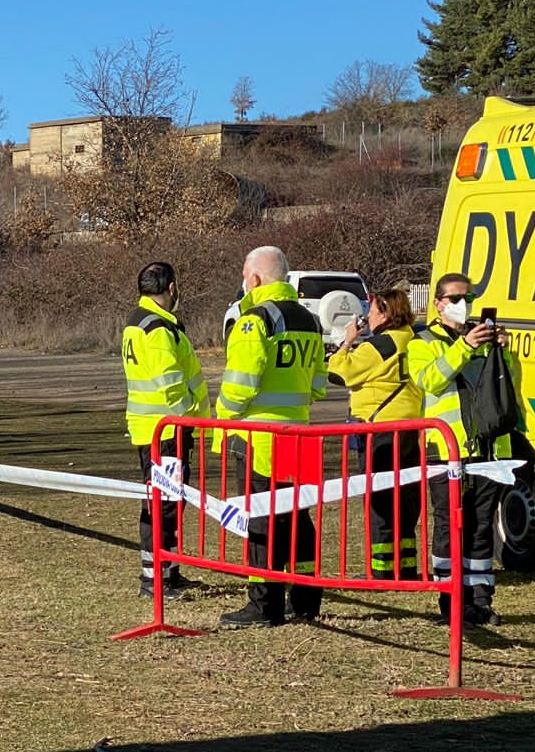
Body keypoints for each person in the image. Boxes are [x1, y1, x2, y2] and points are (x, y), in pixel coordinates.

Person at [216, 245, 328, 629]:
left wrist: (223, 416)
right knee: (299, 517)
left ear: (255, 279)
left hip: (259, 437)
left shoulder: (254, 319)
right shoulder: (310, 320)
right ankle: (306, 598)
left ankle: (263, 605)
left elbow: (239, 386)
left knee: (261, 521)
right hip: (300, 433)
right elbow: (318, 386)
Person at [408, 273, 522, 627]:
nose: (463, 304)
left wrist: (505, 351)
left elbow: (512, 383)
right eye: (455, 299)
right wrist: (465, 347)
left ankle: (480, 600)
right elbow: (428, 380)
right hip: (447, 450)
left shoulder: (484, 338)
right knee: (449, 527)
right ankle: (450, 602)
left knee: (480, 528)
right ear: (438, 304)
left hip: (487, 449)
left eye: (468, 297)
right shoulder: (422, 341)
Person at [121, 261, 209, 597]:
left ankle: (167, 571)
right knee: (162, 505)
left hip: (156, 429)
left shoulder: (141, 322)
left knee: (167, 502)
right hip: (167, 431)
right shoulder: (157, 329)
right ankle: (154, 578)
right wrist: (191, 418)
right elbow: (172, 384)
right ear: (171, 288)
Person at [327, 287, 423, 581]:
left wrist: (347, 342)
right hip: (411, 428)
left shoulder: (380, 345)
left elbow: (338, 373)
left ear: (385, 313)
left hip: (380, 430)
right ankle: (406, 565)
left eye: (371, 310)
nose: (367, 315)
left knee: (381, 500)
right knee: (406, 499)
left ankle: (381, 570)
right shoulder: (414, 338)